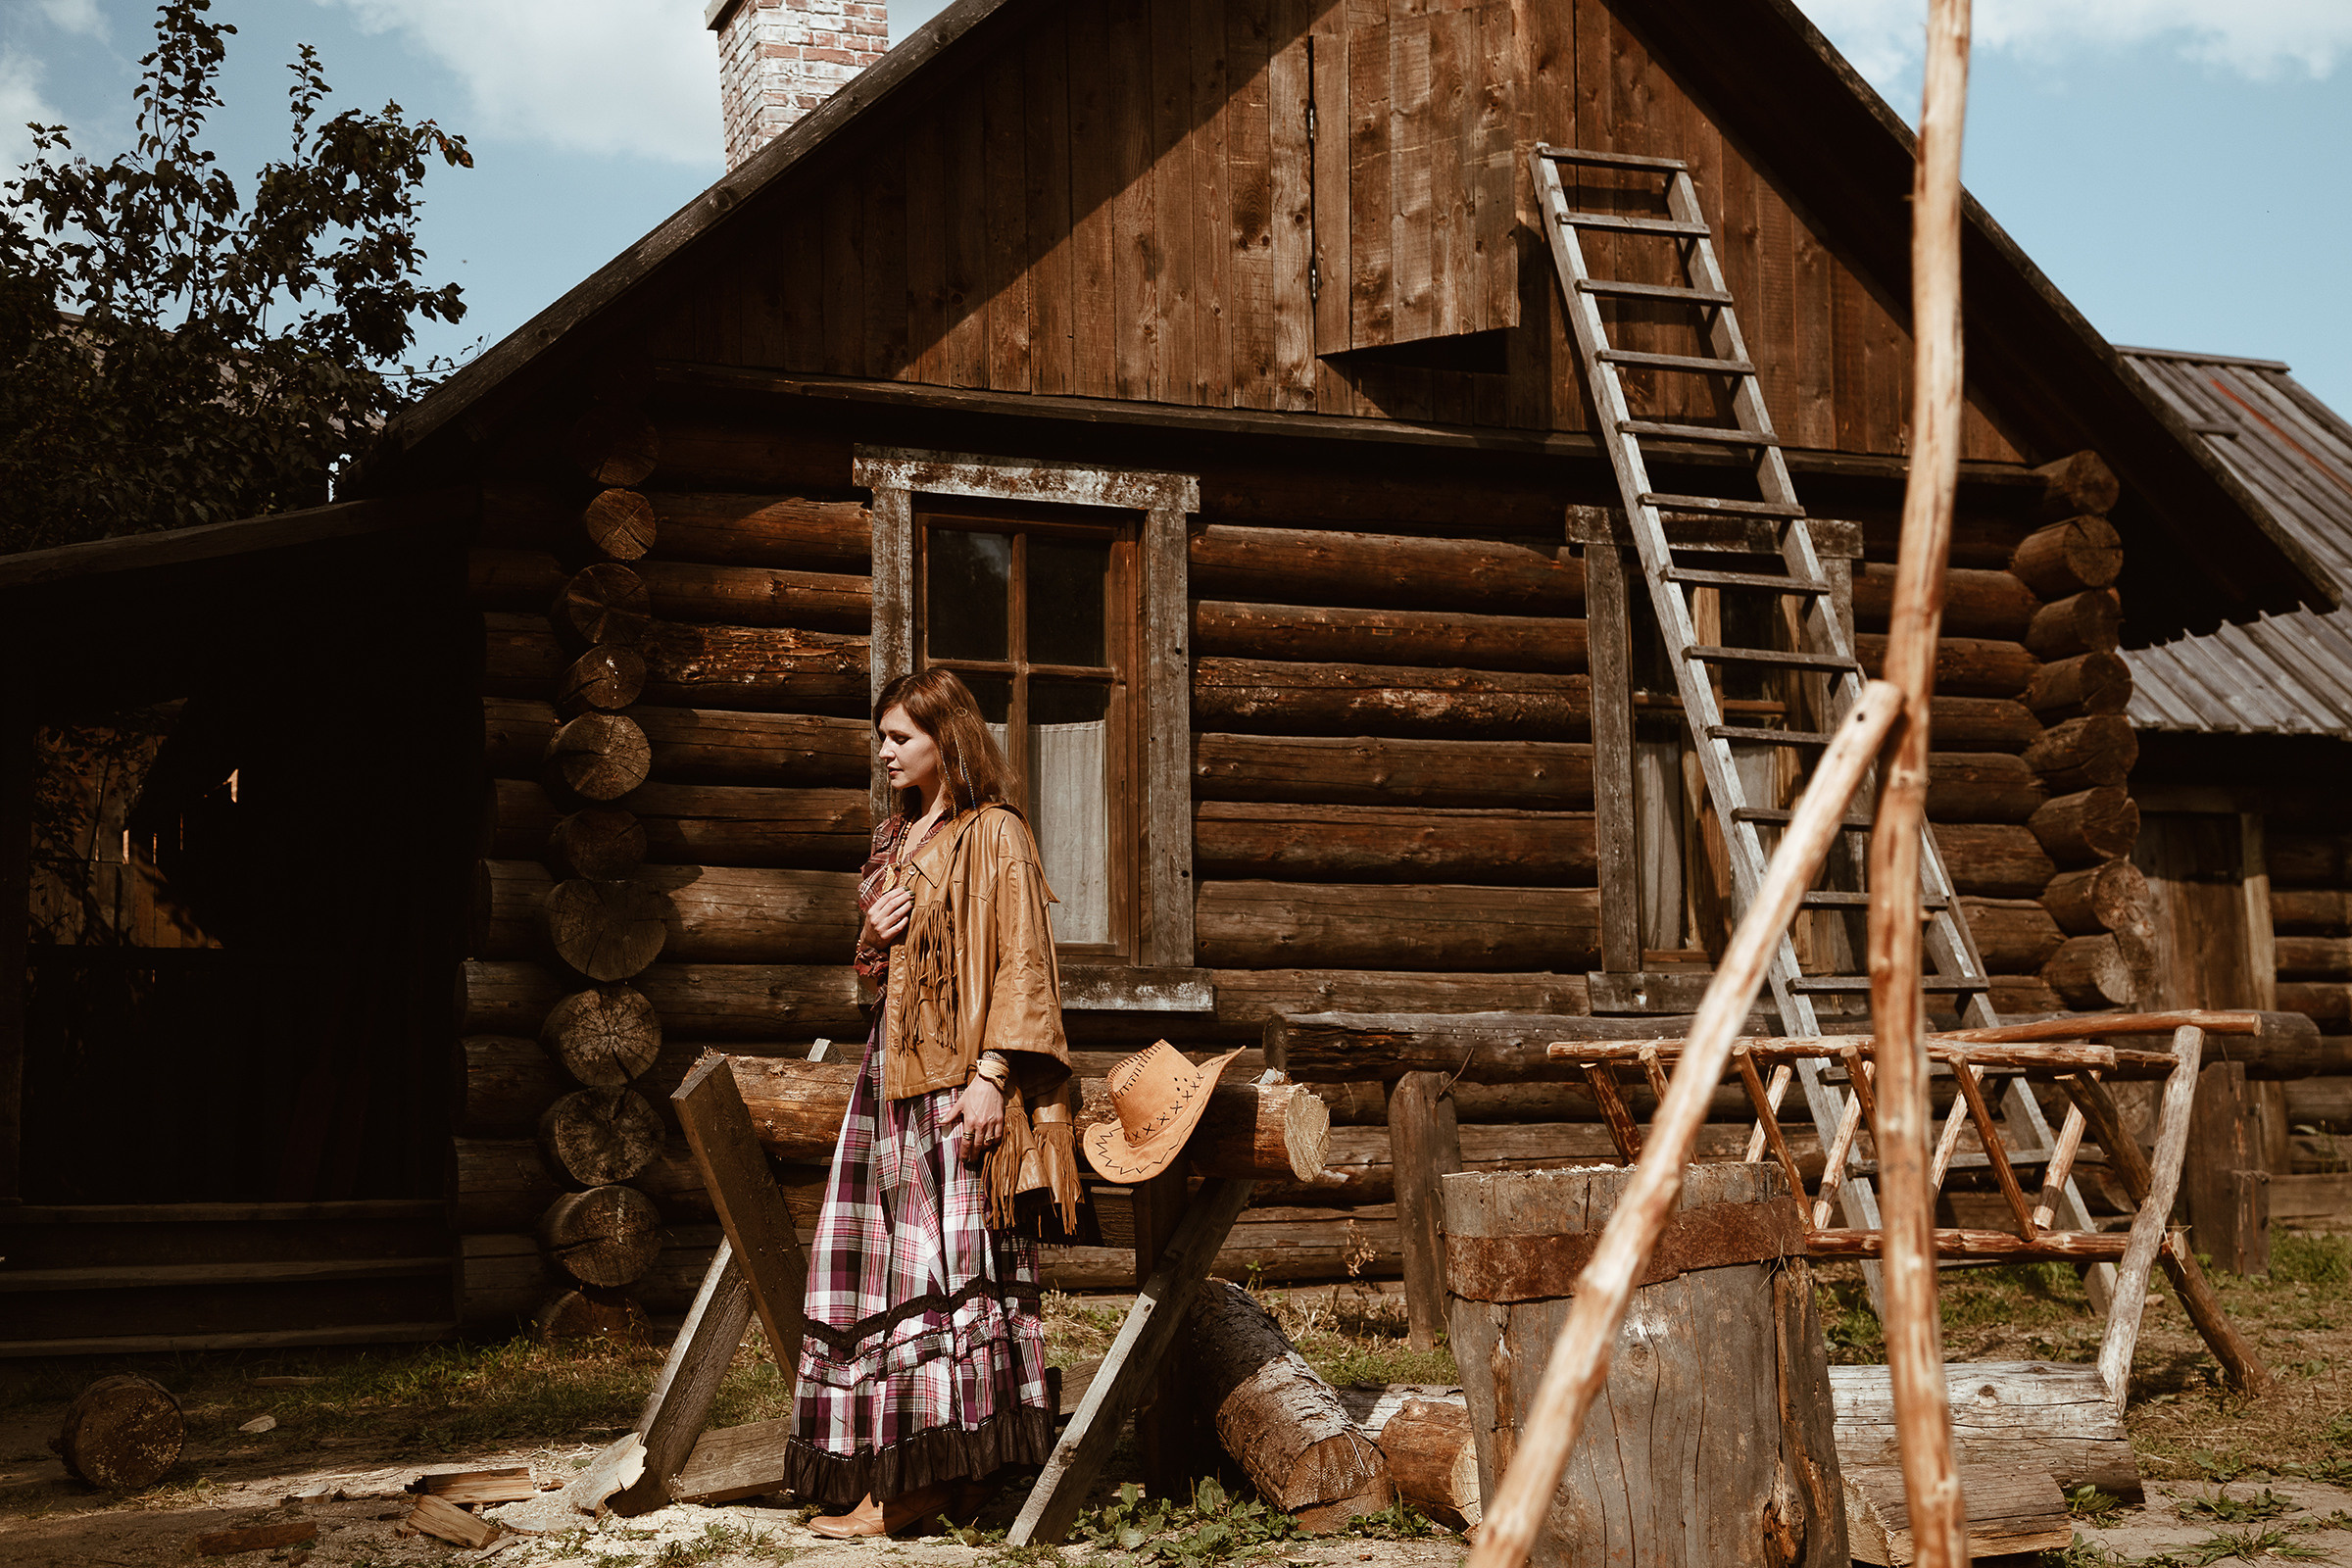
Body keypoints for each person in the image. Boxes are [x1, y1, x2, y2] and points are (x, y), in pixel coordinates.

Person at [784, 667, 1082, 1538]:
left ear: (944, 741)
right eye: (881, 737)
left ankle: (918, 1489)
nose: (883, 752)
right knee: (890, 1274)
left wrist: (993, 1074)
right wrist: (868, 941)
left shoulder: (997, 835)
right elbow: (882, 981)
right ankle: (933, 1473)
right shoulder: (896, 839)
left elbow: (1023, 961)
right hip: (894, 1079)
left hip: (961, 1084)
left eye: (899, 738)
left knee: (946, 1274)